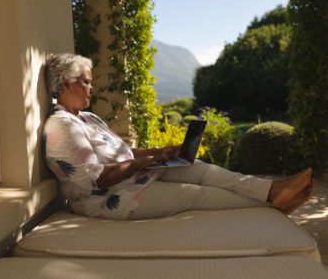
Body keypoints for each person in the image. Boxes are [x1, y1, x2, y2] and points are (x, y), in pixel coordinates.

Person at [43, 53, 313, 220]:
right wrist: (145, 162)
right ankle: (270, 207)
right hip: (110, 198)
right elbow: (98, 178)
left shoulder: (89, 119)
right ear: (66, 83)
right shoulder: (62, 127)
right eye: (86, 82)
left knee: (201, 169)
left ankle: (272, 190)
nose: (92, 88)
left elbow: (125, 151)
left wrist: (162, 152)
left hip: (136, 176)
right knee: (194, 195)